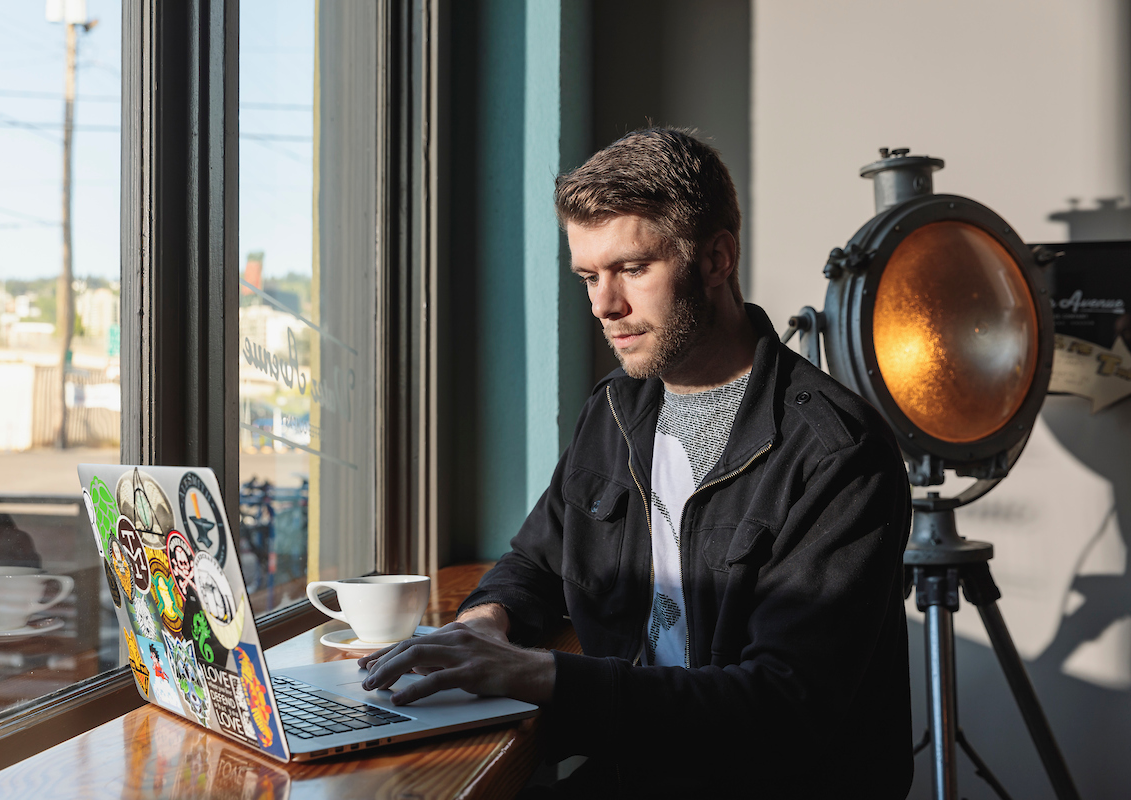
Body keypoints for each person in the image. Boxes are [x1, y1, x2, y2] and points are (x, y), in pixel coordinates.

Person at [360, 128, 913, 797]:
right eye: (589, 276)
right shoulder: (616, 411)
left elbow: (780, 711)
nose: (603, 305)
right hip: (633, 765)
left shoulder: (838, 453)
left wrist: (537, 675)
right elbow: (537, 562)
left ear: (716, 259)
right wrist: (485, 625)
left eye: (632, 269)